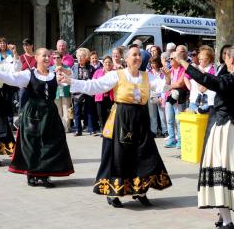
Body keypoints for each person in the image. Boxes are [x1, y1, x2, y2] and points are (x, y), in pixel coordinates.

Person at [59, 46, 172, 207]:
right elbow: (95, 86)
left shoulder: (146, 77)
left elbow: (162, 87)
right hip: (121, 120)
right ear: (126, 59)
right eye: (134, 55)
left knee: (144, 154)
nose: (138, 58)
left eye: (139, 55)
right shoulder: (117, 75)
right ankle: (114, 192)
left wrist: (167, 79)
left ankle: (140, 190)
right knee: (119, 156)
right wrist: (71, 81)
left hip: (140, 120)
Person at [174, 45, 234, 229]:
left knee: (221, 175)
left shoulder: (233, 79)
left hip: (226, 130)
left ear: (231, 60)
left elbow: (207, 80)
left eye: (226, 57)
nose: (224, 60)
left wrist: (183, 62)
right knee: (229, 173)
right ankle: (223, 216)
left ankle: (227, 222)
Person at [0, 48, 74, 187]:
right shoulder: (28, 74)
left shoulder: (55, 74)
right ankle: (31, 173)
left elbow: (71, 78)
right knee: (32, 144)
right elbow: (9, 78)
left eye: (49, 56)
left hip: (50, 113)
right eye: (44, 56)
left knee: (51, 142)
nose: (48, 58)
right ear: (36, 57)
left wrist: (65, 71)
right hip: (33, 113)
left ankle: (45, 174)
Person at [164, 49, 191, 148]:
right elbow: (167, 83)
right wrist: (167, 76)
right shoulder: (170, 70)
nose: (170, 60)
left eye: (172, 58)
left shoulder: (183, 69)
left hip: (179, 97)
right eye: (169, 58)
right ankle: (172, 139)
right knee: (169, 120)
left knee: (178, 120)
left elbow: (180, 83)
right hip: (170, 97)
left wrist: (169, 86)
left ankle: (180, 140)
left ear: (178, 59)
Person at [72, 48, 98, 136]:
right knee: (77, 111)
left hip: (88, 91)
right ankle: (78, 130)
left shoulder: (91, 68)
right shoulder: (74, 67)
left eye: (82, 56)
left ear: (86, 57)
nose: (79, 58)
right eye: (78, 56)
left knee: (90, 110)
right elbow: (71, 78)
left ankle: (91, 129)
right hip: (77, 92)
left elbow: (94, 79)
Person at [93, 56, 115, 137]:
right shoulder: (98, 72)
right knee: (101, 114)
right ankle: (103, 131)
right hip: (100, 97)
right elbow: (93, 82)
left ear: (112, 63)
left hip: (111, 97)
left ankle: (111, 131)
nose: (108, 64)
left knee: (111, 114)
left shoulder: (115, 72)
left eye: (109, 62)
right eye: (106, 62)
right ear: (103, 63)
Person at [51, 52, 73, 132]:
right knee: (58, 111)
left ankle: (66, 128)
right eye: (54, 58)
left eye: (58, 57)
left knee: (66, 110)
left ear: (61, 58)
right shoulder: (50, 69)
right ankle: (59, 127)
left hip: (65, 90)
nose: (56, 59)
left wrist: (62, 70)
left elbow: (70, 75)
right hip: (56, 92)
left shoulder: (67, 67)